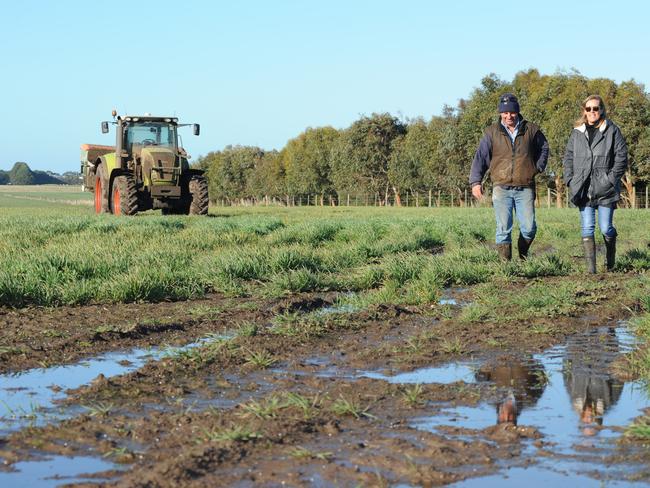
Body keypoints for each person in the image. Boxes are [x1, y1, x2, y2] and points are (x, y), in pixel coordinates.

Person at [469, 93, 550, 261]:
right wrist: (476, 182)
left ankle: (522, 256)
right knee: (503, 228)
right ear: (500, 113)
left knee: (529, 228)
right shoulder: (491, 132)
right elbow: (481, 157)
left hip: (525, 187)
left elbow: (544, 148)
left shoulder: (531, 129)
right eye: (505, 113)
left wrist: (538, 167)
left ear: (517, 112)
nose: (509, 116)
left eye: (512, 112)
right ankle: (505, 267)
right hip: (501, 187)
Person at [562, 95, 628, 273]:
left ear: (602, 110)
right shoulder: (577, 132)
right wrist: (570, 179)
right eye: (589, 108)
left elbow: (621, 157)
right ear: (584, 111)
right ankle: (591, 271)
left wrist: (610, 179)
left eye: (596, 108)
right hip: (582, 188)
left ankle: (610, 260)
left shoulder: (612, 130)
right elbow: (568, 157)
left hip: (605, 188)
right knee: (587, 227)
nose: (592, 112)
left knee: (606, 227)